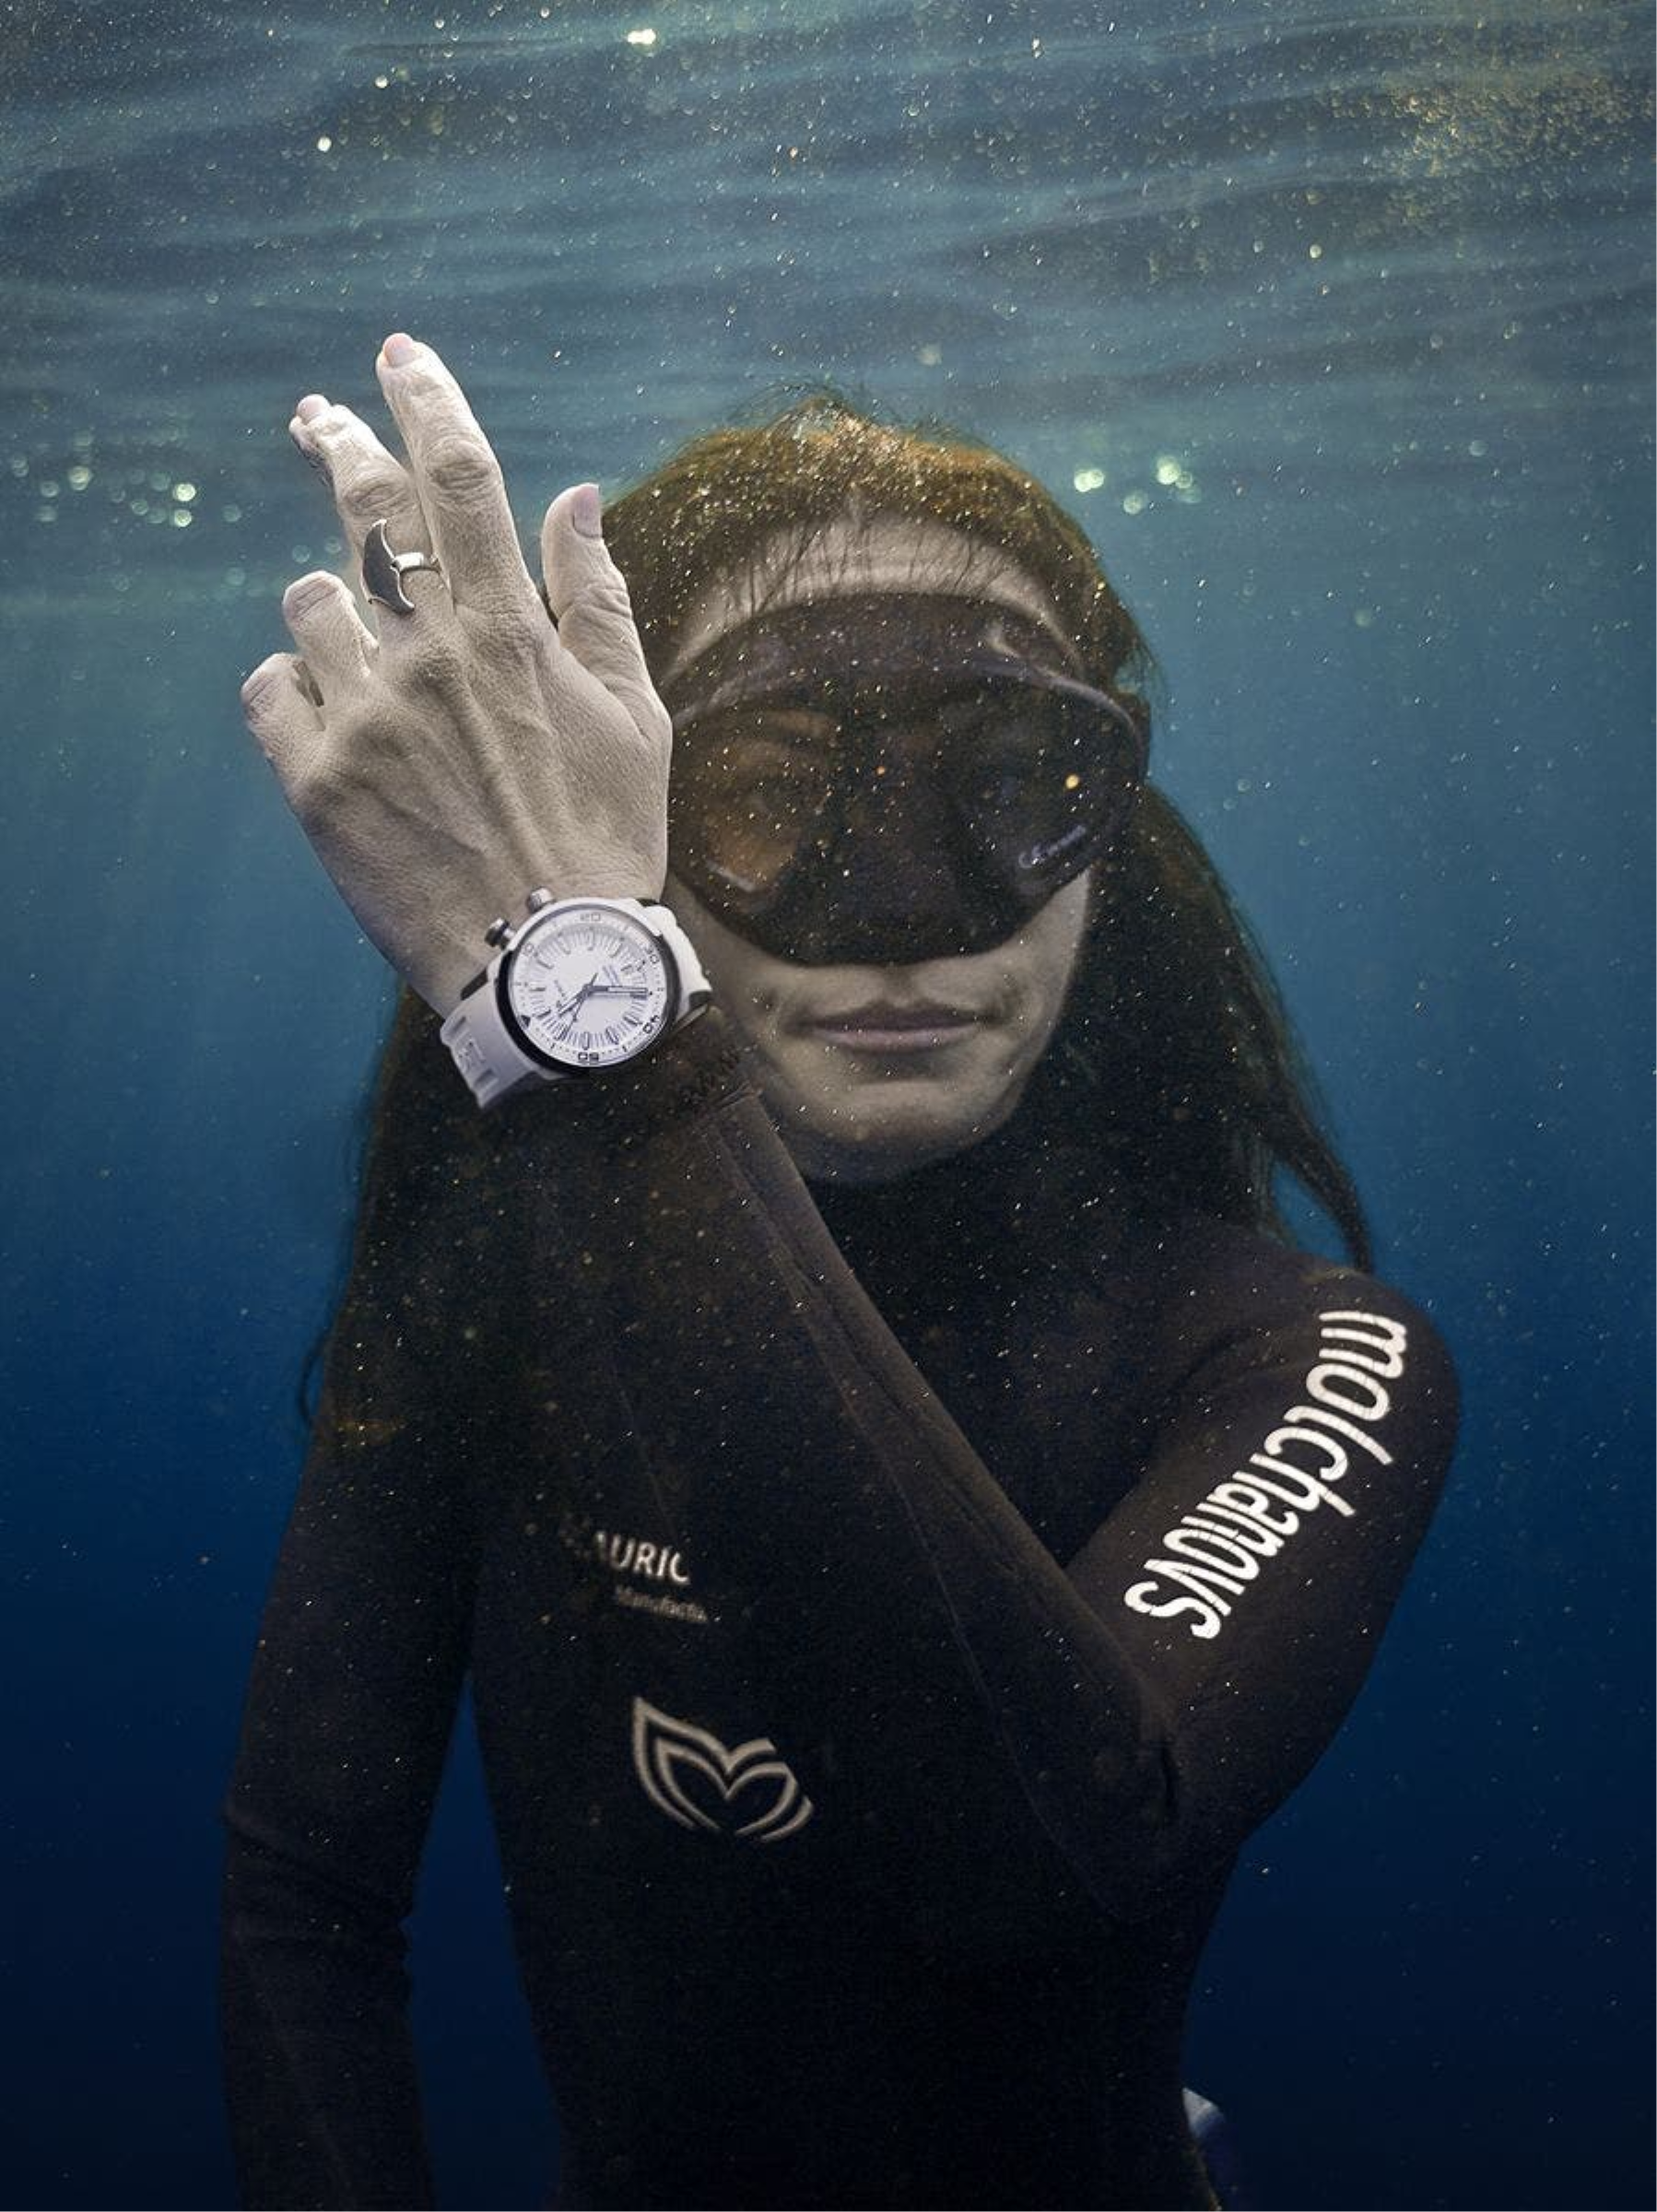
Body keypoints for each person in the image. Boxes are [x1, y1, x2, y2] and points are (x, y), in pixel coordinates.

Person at [225, 334, 1459, 2212]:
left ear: (1105, 836)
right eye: (762, 793)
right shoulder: (493, 1295)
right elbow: (304, 1898)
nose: (902, 915)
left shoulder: (1298, 1354)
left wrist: (572, 1023)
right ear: (623, 815)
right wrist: (587, 1024)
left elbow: (1039, 1863)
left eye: (1012, 782)